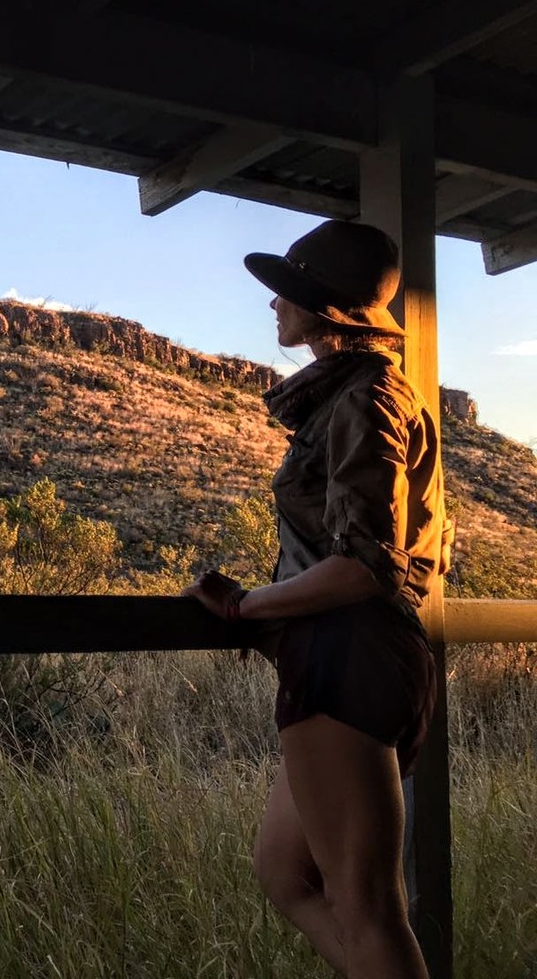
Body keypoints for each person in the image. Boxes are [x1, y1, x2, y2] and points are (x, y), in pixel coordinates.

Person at [183, 219, 450, 979]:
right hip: (345, 657)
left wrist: (245, 606)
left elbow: (367, 568)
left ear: (323, 307)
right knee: (284, 872)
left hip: (348, 654)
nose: (273, 305)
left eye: (288, 291)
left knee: (367, 907)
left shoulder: (367, 400)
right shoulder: (360, 394)